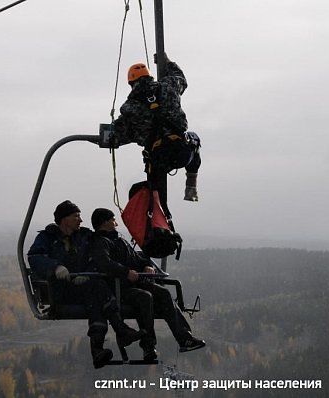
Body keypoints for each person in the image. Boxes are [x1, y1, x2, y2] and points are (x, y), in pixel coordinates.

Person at [27, 200, 144, 368]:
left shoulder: (84, 236)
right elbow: (35, 257)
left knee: (96, 298)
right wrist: (55, 267)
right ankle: (120, 330)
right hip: (60, 290)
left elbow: (98, 254)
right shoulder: (47, 238)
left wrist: (88, 273)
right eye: (76, 216)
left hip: (83, 286)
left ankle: (98, 351)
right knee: (98, 290)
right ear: (64, 219)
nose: (80, 220)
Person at [89, 208, 205, 361]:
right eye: (112, 220)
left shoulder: (118, 239)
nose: (115, 223)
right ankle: (148, 345)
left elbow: (135, 256)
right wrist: (125, 272)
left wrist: (145, 265)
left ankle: (184, 338)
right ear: (104, 222)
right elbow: (105, 263)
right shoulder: (100, 242)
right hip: (119, 288)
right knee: (145, 297)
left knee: (163, 293)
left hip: (134, 283)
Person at [112, 53, 202, 214]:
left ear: (131, 83)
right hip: (181, 151)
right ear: (149, 76)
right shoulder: (169, 86)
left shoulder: (129, 108)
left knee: (158, 204)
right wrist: (166, 61)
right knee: (194, 139)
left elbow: (119, 134)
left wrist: (108, 138)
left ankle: (162, 227)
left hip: (157, 159)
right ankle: (191, 187)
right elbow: (181, 78)